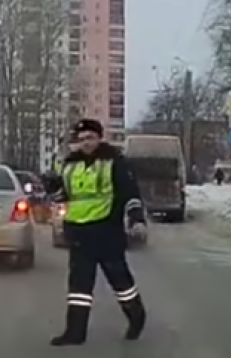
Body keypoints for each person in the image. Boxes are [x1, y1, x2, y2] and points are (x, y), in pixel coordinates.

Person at [49, 118, 147, 346]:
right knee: (79, 287)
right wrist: (52, 187)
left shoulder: (114, 162)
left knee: (120, 281)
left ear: (99, 138)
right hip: (79, 233)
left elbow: (130, 192)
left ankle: (136, 316)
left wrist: (136, 218)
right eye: (81, 139)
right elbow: (64, 193)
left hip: (106, 231)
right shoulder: (70, 165)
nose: (86, 143)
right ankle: (75, 332)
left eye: (90, 138)